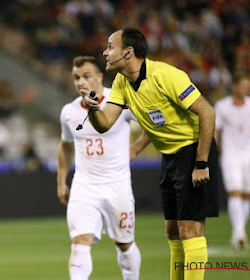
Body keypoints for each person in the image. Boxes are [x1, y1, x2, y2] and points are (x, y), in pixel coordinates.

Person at [83, 28, 219, 280]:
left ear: (128, 52)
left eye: (110, 46)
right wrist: (92, 109)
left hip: (193, 151)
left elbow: (207, 113)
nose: (105, 51)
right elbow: (104, 123)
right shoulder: (122, 82)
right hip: (169, 157)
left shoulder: (166, 75)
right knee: (173, 232)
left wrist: (201, 161)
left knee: (190, 230)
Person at [57, 55, 150, 280]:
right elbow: (66, 147)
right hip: (84, 186)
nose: (80, 82)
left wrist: (135, 149)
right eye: (76, 77)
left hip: (117, 186)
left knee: (124, 244)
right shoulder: (69, 112)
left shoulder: (119, 101)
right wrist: (61, 181)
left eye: (86, 76)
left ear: (99, 76)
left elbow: (153, 123)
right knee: (80, 242)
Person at [214, 74, 250, 249]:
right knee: (235, 192)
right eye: (243, 85)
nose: (245, 89)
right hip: (230, 154)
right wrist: (215, 149)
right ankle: (239, 232)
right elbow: (216, 129)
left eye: (247, 86)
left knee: (246, 194)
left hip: (249, 154)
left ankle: (238, 232)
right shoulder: (222, 106)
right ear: (234, 86)